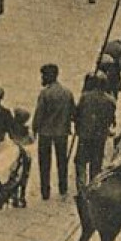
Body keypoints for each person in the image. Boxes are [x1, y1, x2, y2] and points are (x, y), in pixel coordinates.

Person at [31, 63, 75, 200]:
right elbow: (73, 112)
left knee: (44, 163)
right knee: (62, 162)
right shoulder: (67, 93)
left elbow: (39, 114)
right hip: (62, 132)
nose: (42, 78)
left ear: (50, 76)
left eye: (44, 75)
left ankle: (45, 192)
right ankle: (63, 188)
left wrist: (34, 128)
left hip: (45, 133)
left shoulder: (45, 93)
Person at [73, 72, 116, 192]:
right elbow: (111, 119)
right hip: (100, 136)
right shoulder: (110, 101)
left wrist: (78, 124)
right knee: (96, 163)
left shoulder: (85, 97)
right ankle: (93, 188)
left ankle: (81, 188)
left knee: (80, 161)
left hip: (85, 135)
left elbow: (77, 114)